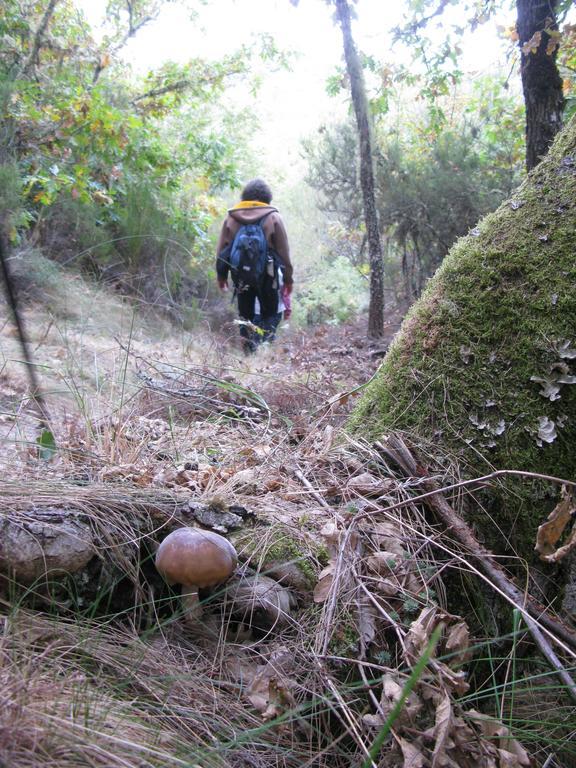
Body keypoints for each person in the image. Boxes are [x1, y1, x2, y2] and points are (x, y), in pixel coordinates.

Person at [216, 178, 293, 352]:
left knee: (245, 316)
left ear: (245, 196)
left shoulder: (231, 217)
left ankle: (249, 354)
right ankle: (264, 351)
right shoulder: (273, 217)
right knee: (270, 314)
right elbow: (284, 252)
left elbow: (222, 250)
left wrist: (221, 276)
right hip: (269, 276)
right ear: (267, 198)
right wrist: (288, 279)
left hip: (241, 276)